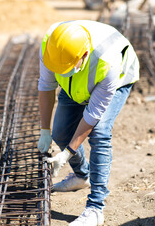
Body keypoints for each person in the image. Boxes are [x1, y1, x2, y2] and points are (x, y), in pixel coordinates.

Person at [37, 20, 139, 226]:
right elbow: (46, 86)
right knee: (61, 132)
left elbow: (92, 115)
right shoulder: (52, 47)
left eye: (64, 68)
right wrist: (45, 131)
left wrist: (67, 153)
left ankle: (95, 209)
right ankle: (82, 176)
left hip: (117, 79)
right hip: (75, 84)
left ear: (83, 56)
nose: (60, 71)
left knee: (100, 133)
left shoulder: (107, 63)